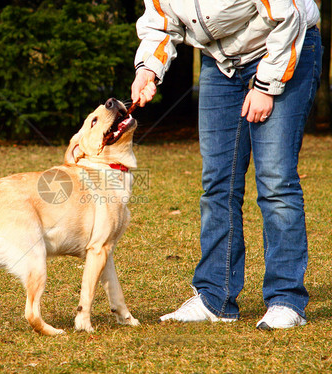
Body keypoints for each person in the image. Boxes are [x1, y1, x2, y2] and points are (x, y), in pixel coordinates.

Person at [131, 0, 321, 329]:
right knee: (218, 184)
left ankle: (286, 299)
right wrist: (148, 68)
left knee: (276, 181)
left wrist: (266, 85)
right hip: (221, 63)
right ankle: (214, 299)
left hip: (284, 45)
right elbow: (162, 22)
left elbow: (287, 16)